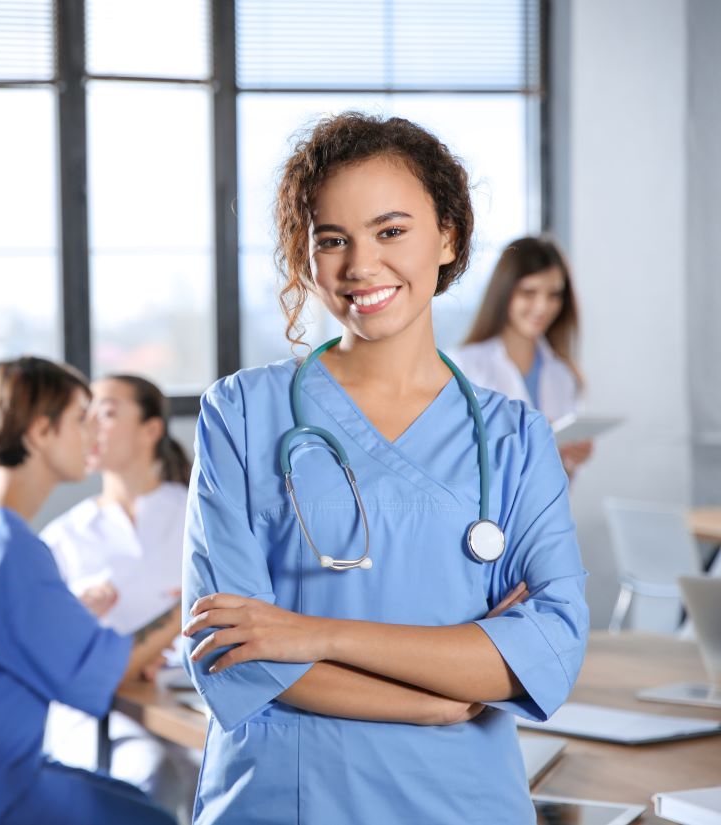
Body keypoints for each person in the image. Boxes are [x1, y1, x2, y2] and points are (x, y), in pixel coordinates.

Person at [180, 113, 589, 824]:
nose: (361, 265)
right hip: (288, 797)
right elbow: (235, 650)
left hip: (461, 801)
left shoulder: (517, 438)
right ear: (306, 257)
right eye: (332, 239)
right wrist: (436, 696)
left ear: (448, 236)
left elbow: (548, 646)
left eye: (390, 231)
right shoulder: (241, 414)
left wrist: (318, 633)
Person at [0, 357, 180, 825]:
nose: (93, 434)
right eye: (81, 419)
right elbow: (92, 677)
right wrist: (187, 608)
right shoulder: (6, 547)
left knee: (139, 802)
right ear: (41, 432)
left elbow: (33, 631)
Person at [40, 374, 198, 821]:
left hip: (185, 704)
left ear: (152, 430)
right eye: (86, 414)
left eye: (107, 412)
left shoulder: (198, 514)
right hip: (97, 716)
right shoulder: (64, 537)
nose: (92, 424)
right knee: (149, 774)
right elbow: (50, 651)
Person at [455, 236, 592, 478]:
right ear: (504, 292)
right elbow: (455, 457)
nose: (542, 307)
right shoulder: (466, 366)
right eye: (529, 292)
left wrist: (570, 458)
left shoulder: (563, 375)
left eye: (554, 295)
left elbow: (559, 481)